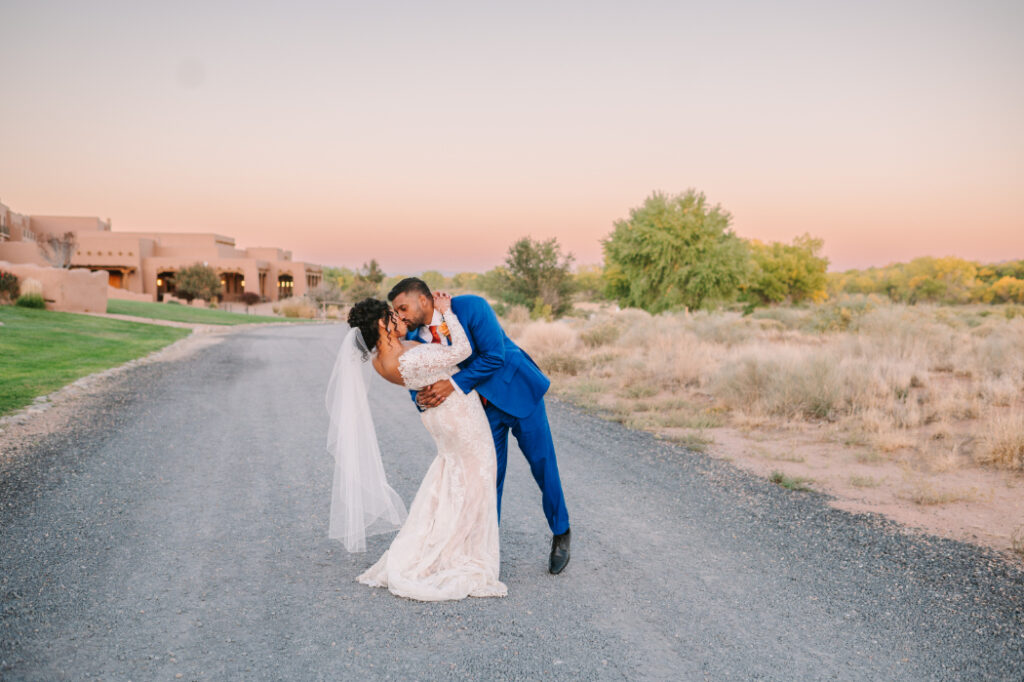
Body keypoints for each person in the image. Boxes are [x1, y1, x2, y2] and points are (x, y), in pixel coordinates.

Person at [327, 293, 507, 601]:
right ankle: (458, 552)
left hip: (438, 417)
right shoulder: (408, 357)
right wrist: (447, 312)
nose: (401, 319)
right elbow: (462, 350)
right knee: (478, 476)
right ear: (382, 325)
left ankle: (448, 542)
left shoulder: (379, 362)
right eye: (393, 315)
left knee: (451, 476)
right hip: (458, 415)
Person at [388, 278, 571, 575]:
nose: (402, 315)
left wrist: (452, 384)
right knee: (487, 478)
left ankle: (561, 531)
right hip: (480, 412)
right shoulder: (413, 336)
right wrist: (420, 398)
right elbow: (416, 371)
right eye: (397, 311)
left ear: (424, 299)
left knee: (543, 465)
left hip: (517, 390)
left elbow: (494, 356)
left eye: (403, 307)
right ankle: (483, 551)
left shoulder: (471, 306)